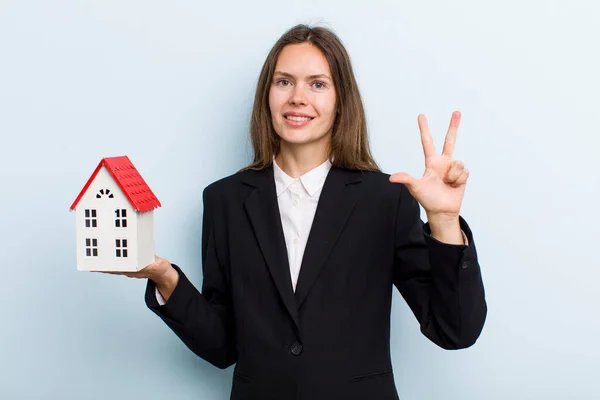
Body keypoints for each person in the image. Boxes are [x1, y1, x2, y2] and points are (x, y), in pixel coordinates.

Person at [106, 24, 487, 400]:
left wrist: (444, 221)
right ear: (267, 95)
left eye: (317, 84)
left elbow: (455, 330)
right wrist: (166, 279)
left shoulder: (384, 199)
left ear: (341, 100)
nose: (297, 98)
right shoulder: (225, 201)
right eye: (284, 82)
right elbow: (222, 347)